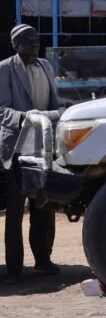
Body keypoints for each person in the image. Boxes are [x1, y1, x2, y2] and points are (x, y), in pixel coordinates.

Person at [1, 24, 62, 283]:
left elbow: (55, 105)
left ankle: (43, 261)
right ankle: (15, 270)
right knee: (16, 210)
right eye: (28, 42)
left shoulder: (46, 67)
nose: (34, 46)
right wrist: (26, 117)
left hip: (42, 146)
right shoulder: (4, 69)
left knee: (44, 206)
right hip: (15, 148)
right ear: (17, 46)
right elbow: (2, 110)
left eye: (36, 42)